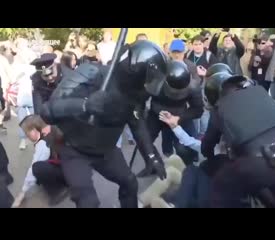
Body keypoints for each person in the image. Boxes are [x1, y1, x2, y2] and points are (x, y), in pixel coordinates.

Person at [40, 40, 168, 208]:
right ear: (134, 73)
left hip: (106, 151)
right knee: (88, 202)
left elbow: (137, 123)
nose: (145, 88)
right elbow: (47, 111)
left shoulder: (135, 94)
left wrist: (151, 156)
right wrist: (84, 105)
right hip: (75, 150)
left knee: (130, 183)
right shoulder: (91, 74)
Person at [201, 63, 275, 208]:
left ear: (214, 96)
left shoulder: (219, 109)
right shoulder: (261, 94)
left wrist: (210, 158)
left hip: (257, 164)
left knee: (220, 187)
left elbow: (208, 144)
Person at [138, 60, 203, 177]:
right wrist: (139, 114)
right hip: (156, 113)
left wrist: (178, 118)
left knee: (183, 147)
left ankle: (187, 171)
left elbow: (198, 110)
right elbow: (141, 99)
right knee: (143, 140)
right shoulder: (155, 82)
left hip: (179, 115)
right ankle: (153, 165)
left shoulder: (193, 87)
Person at [12, 115, 68, 207]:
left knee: (37, 168)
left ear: (34, 130)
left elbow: (32, 170)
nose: (27, 137)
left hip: (66, 171)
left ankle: (58, 191)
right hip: (73, 165)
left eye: (27, 133)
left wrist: (23, 191)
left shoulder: (43, 144)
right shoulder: (52, 129)